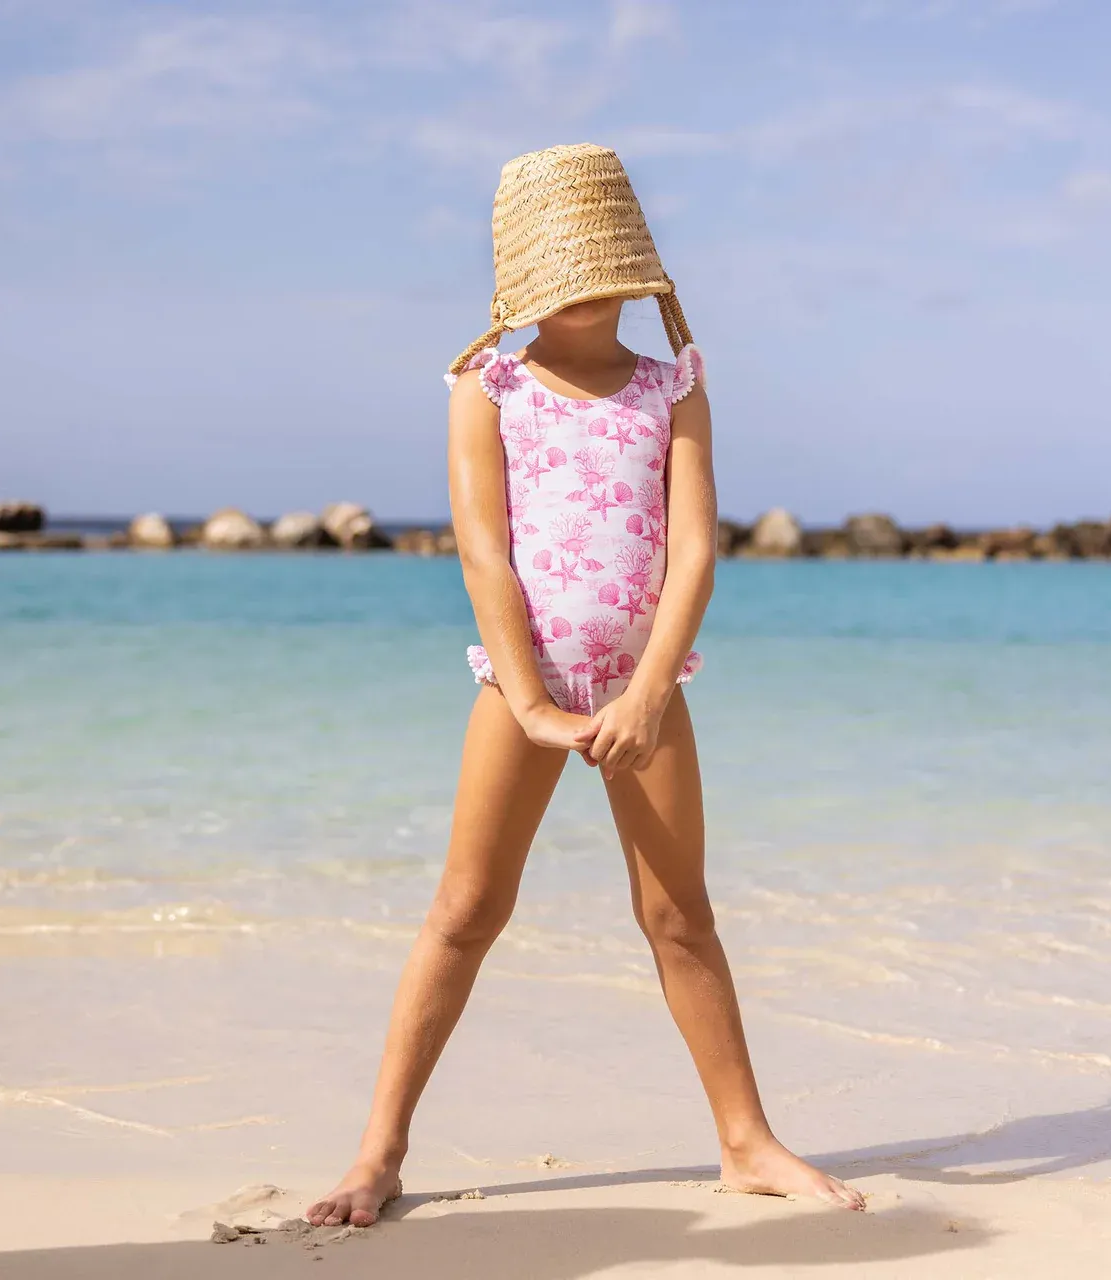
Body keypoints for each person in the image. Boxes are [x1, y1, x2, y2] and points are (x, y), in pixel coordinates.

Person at [306, 143, 865, 1227]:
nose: (589, 287)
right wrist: (526, 701)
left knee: (678, 914)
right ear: (527, 277)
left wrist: (649, 690)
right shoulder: (488, 386)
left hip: (642, 687)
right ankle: (376, 1151)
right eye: (566, 270)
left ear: (635, 264)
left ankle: (744, 1141)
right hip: (522, 685)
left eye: (605, 263)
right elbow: (483, 556)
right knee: (465, 911)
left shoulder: (673, 386)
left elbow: (693, 553)